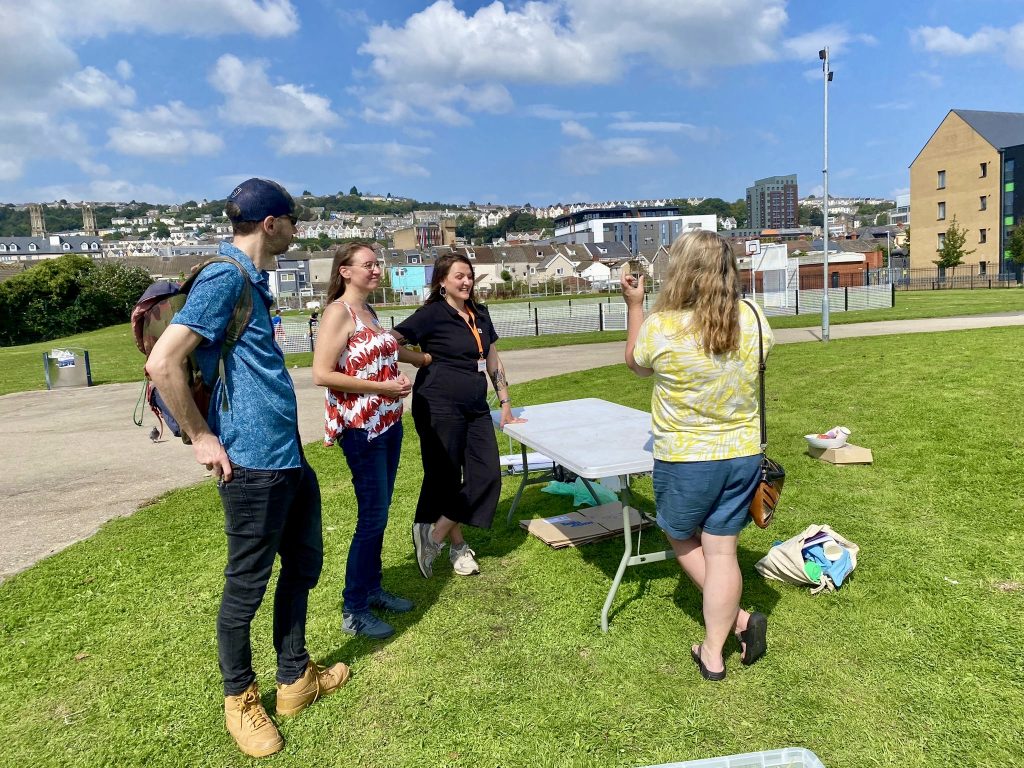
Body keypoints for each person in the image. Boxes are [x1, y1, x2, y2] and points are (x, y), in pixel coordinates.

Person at [146, 178, 348, 757]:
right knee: (246, 587)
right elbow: (164, 362)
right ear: (270, 224)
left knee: (304, 564)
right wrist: (202, 436)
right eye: (292, 220)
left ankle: (295, 679)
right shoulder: (225, 277)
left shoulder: (253, 283)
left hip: (288, 459)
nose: (297, 229)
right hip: (252, 467)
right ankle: (240, 699)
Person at [621, 229, 773, 682]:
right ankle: (724, 637)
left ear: (682, 270)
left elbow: (634, 362)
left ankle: (729, 635)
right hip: (743, 453)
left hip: (686, 457)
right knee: (722, 552)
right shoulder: (753, 317)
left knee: (679, 535)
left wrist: (634, 305)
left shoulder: (663, 325)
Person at [311, 242, 425, 639]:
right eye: (368, 265)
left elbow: (385, 355)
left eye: (378, 264)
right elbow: (322, 374)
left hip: (388, 423)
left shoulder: (369, 312)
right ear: (344, 271)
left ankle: (372, 589)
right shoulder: (337, 314)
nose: (376, 270)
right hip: (361, 429)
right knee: (372, 515)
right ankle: (354, 608)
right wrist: (380, 387)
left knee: (381, 510)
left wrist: (416, 364)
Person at [391, 253, 524, 579]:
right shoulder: (431, 314)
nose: (466, 282)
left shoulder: (479, 313)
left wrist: (505, 402)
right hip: (437, 406)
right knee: (446, 478)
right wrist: (420, 359)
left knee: (488, 475)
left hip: (476, 406)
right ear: (442, 281)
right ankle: (458, 547)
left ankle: (432, 536)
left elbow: (492, 358)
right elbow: (390, 344)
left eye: (469, 276)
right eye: (459, 276)